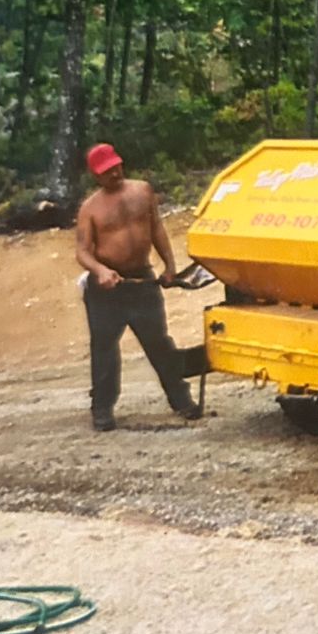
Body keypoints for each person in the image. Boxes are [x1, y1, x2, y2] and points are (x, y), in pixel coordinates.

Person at [75, 143, 202, 431]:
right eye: (107, 171)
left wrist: (169, 265)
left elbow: (156, 228)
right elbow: (82, 251)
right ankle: (102, 408)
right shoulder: (90, 209)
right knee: (105, 349)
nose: (114, 173)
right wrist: (100, 270)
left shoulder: (142, 191)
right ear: (96, 175)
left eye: (116, 167)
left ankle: (181, 400)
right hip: (108, 289)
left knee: (159, 343)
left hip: (142, 279)